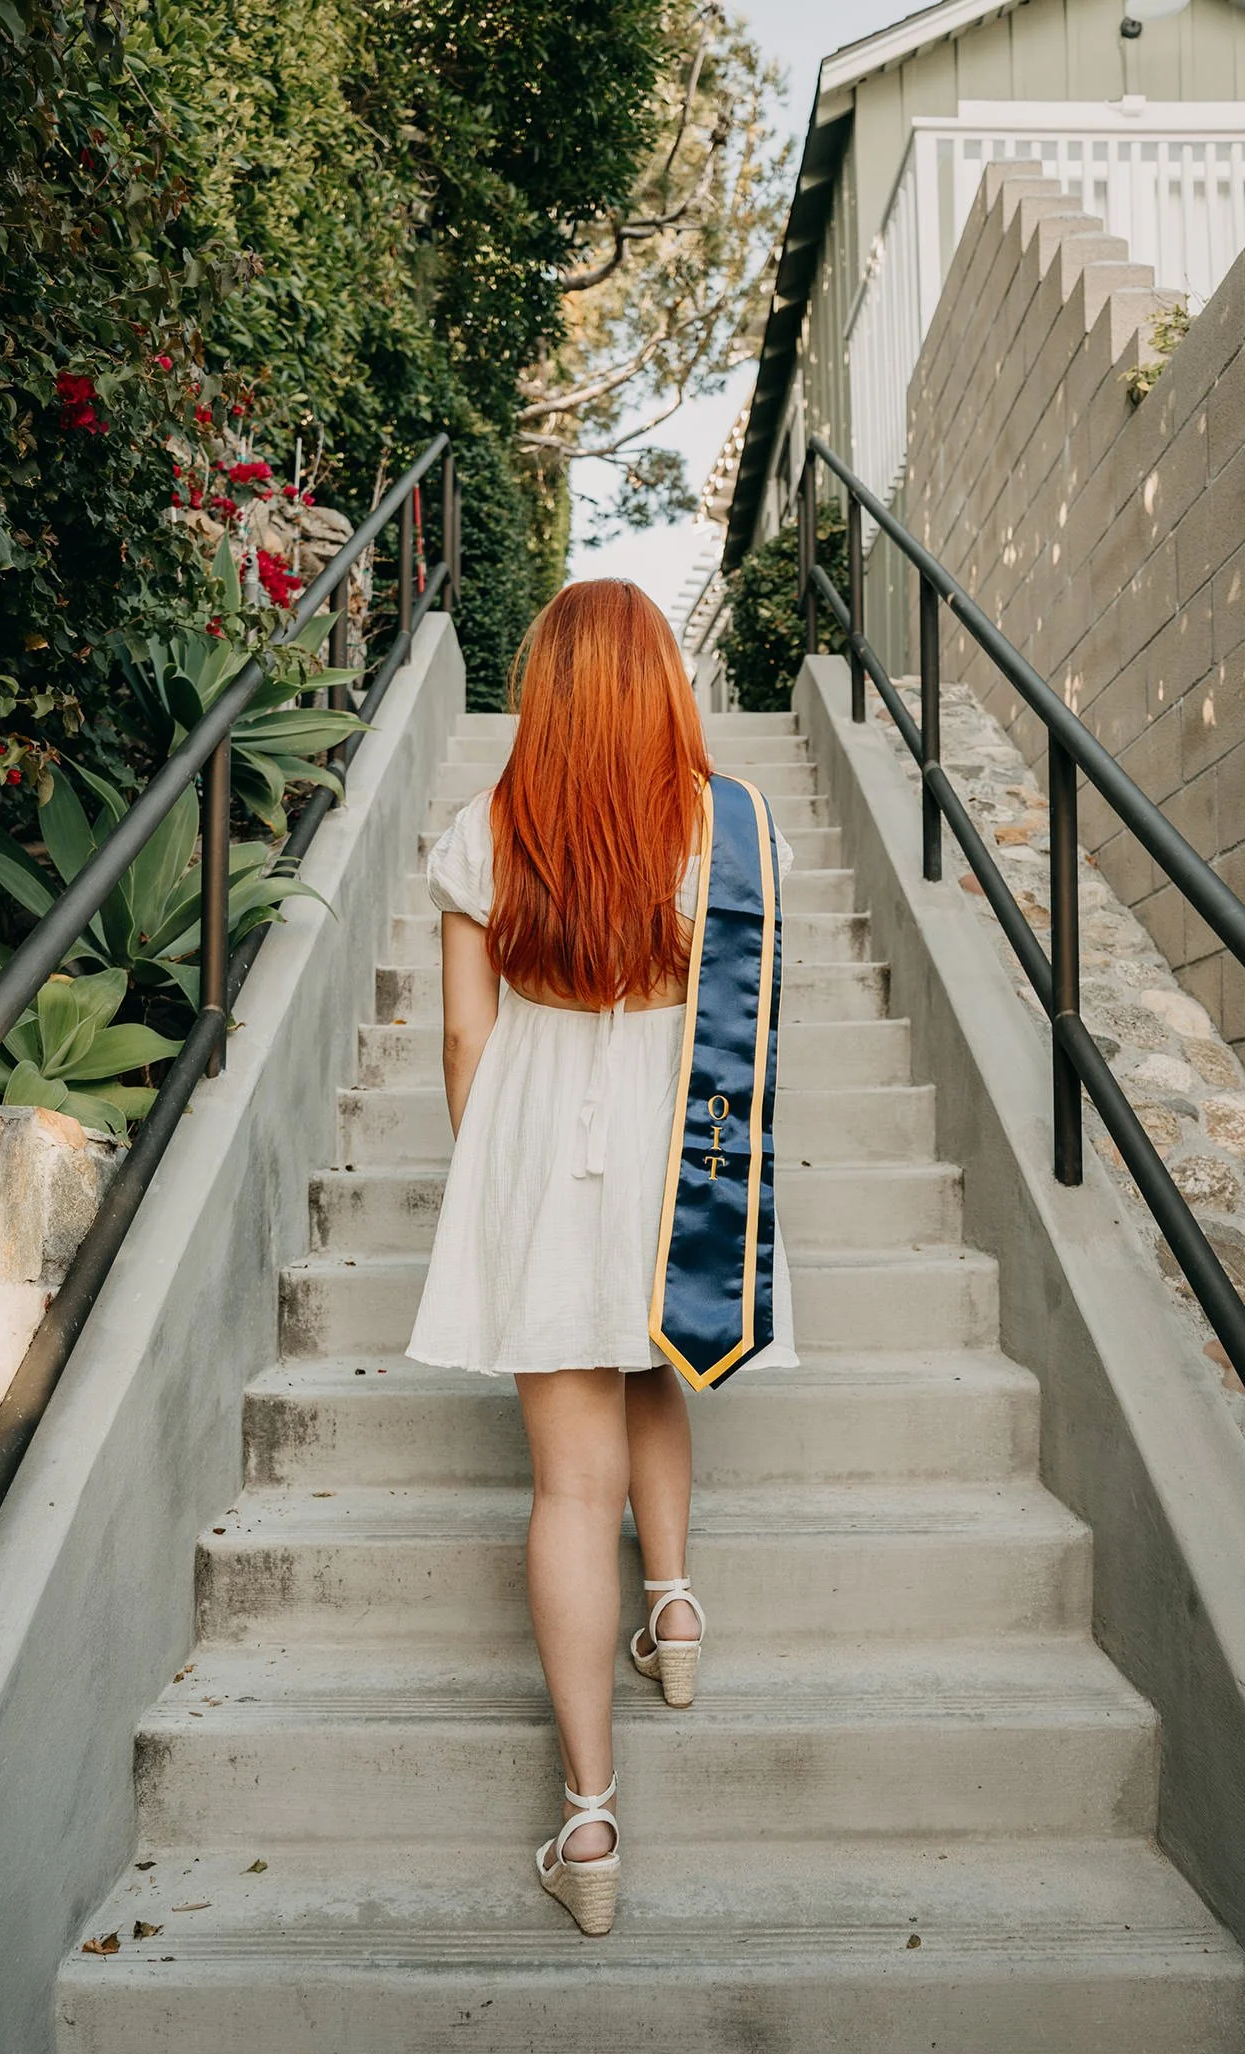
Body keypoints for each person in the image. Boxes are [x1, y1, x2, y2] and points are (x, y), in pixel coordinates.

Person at [408, 579, 796, 1936]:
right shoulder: (722, 829)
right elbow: (750, 1017)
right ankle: (675, 1612)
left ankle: (588, 1818)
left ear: (546, 693)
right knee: (661, 1366)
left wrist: (499, 1180)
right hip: (681, 1141)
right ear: (663, 688)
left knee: (570, 1488)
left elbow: (464, 1042)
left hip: (539, 1146)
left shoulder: (486, 832)